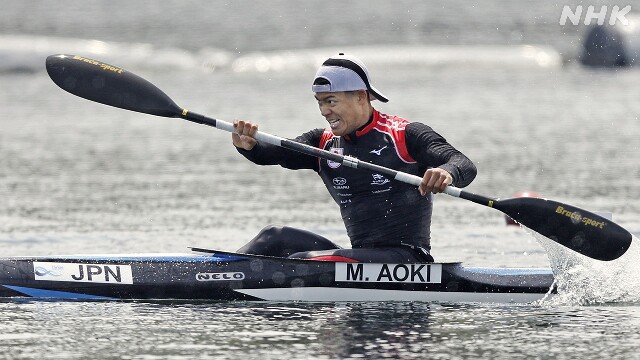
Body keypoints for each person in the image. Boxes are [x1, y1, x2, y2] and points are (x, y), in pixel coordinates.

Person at [232, 53, 477, 263]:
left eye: (331, 101)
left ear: (360, 96)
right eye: (319, 103)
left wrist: (446, 173)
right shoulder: (323, 142)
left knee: (300, 261)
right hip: (359, 257)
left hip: (407, 259)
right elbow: (278, 152)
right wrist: (250, 146)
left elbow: (463, 164)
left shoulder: (404, 134)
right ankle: (211, 272)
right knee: (274, 237)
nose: (324, 111)